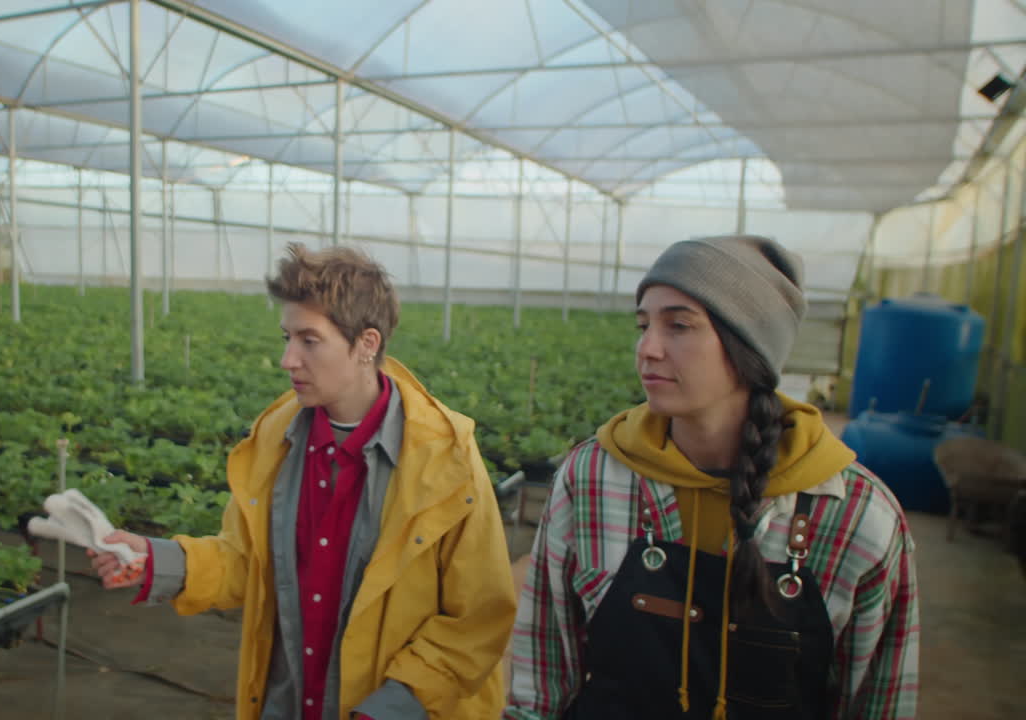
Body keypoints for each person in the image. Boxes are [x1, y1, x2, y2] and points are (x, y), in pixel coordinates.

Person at [90, 243, 517, 720]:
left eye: (309, 341)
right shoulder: (275, 437)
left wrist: (389, 709)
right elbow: (246, 560)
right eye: (287, 337)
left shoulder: (445, 457)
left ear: (367, 344)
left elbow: (477, 618)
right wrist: (154, 560)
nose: (287, 359)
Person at [503, 235, 918, 719]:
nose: (647, 349)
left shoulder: (857, 514)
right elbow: (541, 678)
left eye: (679, 325)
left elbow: (878, 703)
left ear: (750, 348)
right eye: (643, 325)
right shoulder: (593, 477)